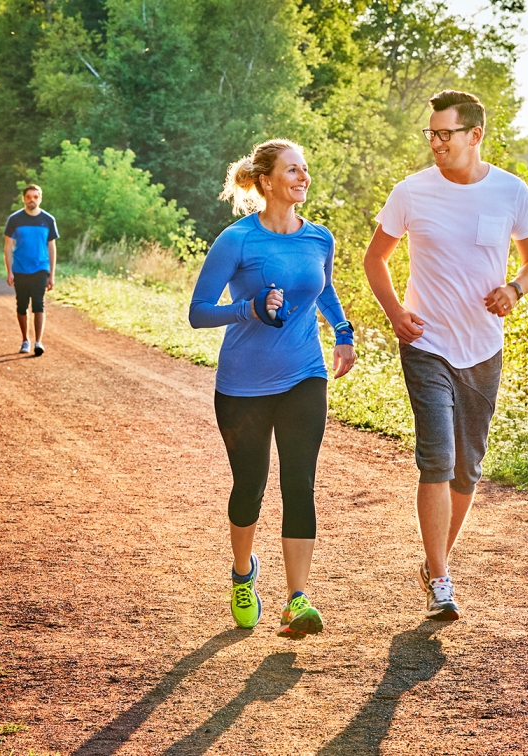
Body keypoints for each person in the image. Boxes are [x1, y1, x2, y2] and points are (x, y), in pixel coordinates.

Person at [364, 90, 528, 621]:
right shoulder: (411, 192)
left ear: (475, 135)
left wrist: (514, 289)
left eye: (445, 133)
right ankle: (441, 578)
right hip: (427, 342)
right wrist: (396, 313)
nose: (436, 143)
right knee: (438, 459)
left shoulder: (511, 191)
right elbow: (376, 259)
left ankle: (433, 560)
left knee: (468, 468)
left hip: (484, 348)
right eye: (432, 133)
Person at [188, 139, 357, 638]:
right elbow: (198, 312)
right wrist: (250, 309)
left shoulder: (319, 238)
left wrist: (343, 334)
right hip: (243, 383)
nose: (303, 177)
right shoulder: (236, 240)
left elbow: (323, 288)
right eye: (292, 170)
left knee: (299, 482)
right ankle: (243, 575)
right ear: (265, 181)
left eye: (306, 169)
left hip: (305, 372)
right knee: (250, 487)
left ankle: (297, 599)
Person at [4, 184, 59, 356]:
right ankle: (25, 340)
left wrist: (52, 274)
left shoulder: (48, 220)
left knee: (38, 303)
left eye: (35, 197)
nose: (32, 200)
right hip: (20, 268)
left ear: (40, 198)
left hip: (41, 267)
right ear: (24, 199)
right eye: (29, 197)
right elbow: (7, 246)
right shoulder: (15, 219)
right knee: (22, 305)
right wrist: (9, 271)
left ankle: (38, 342)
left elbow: (52, 247)